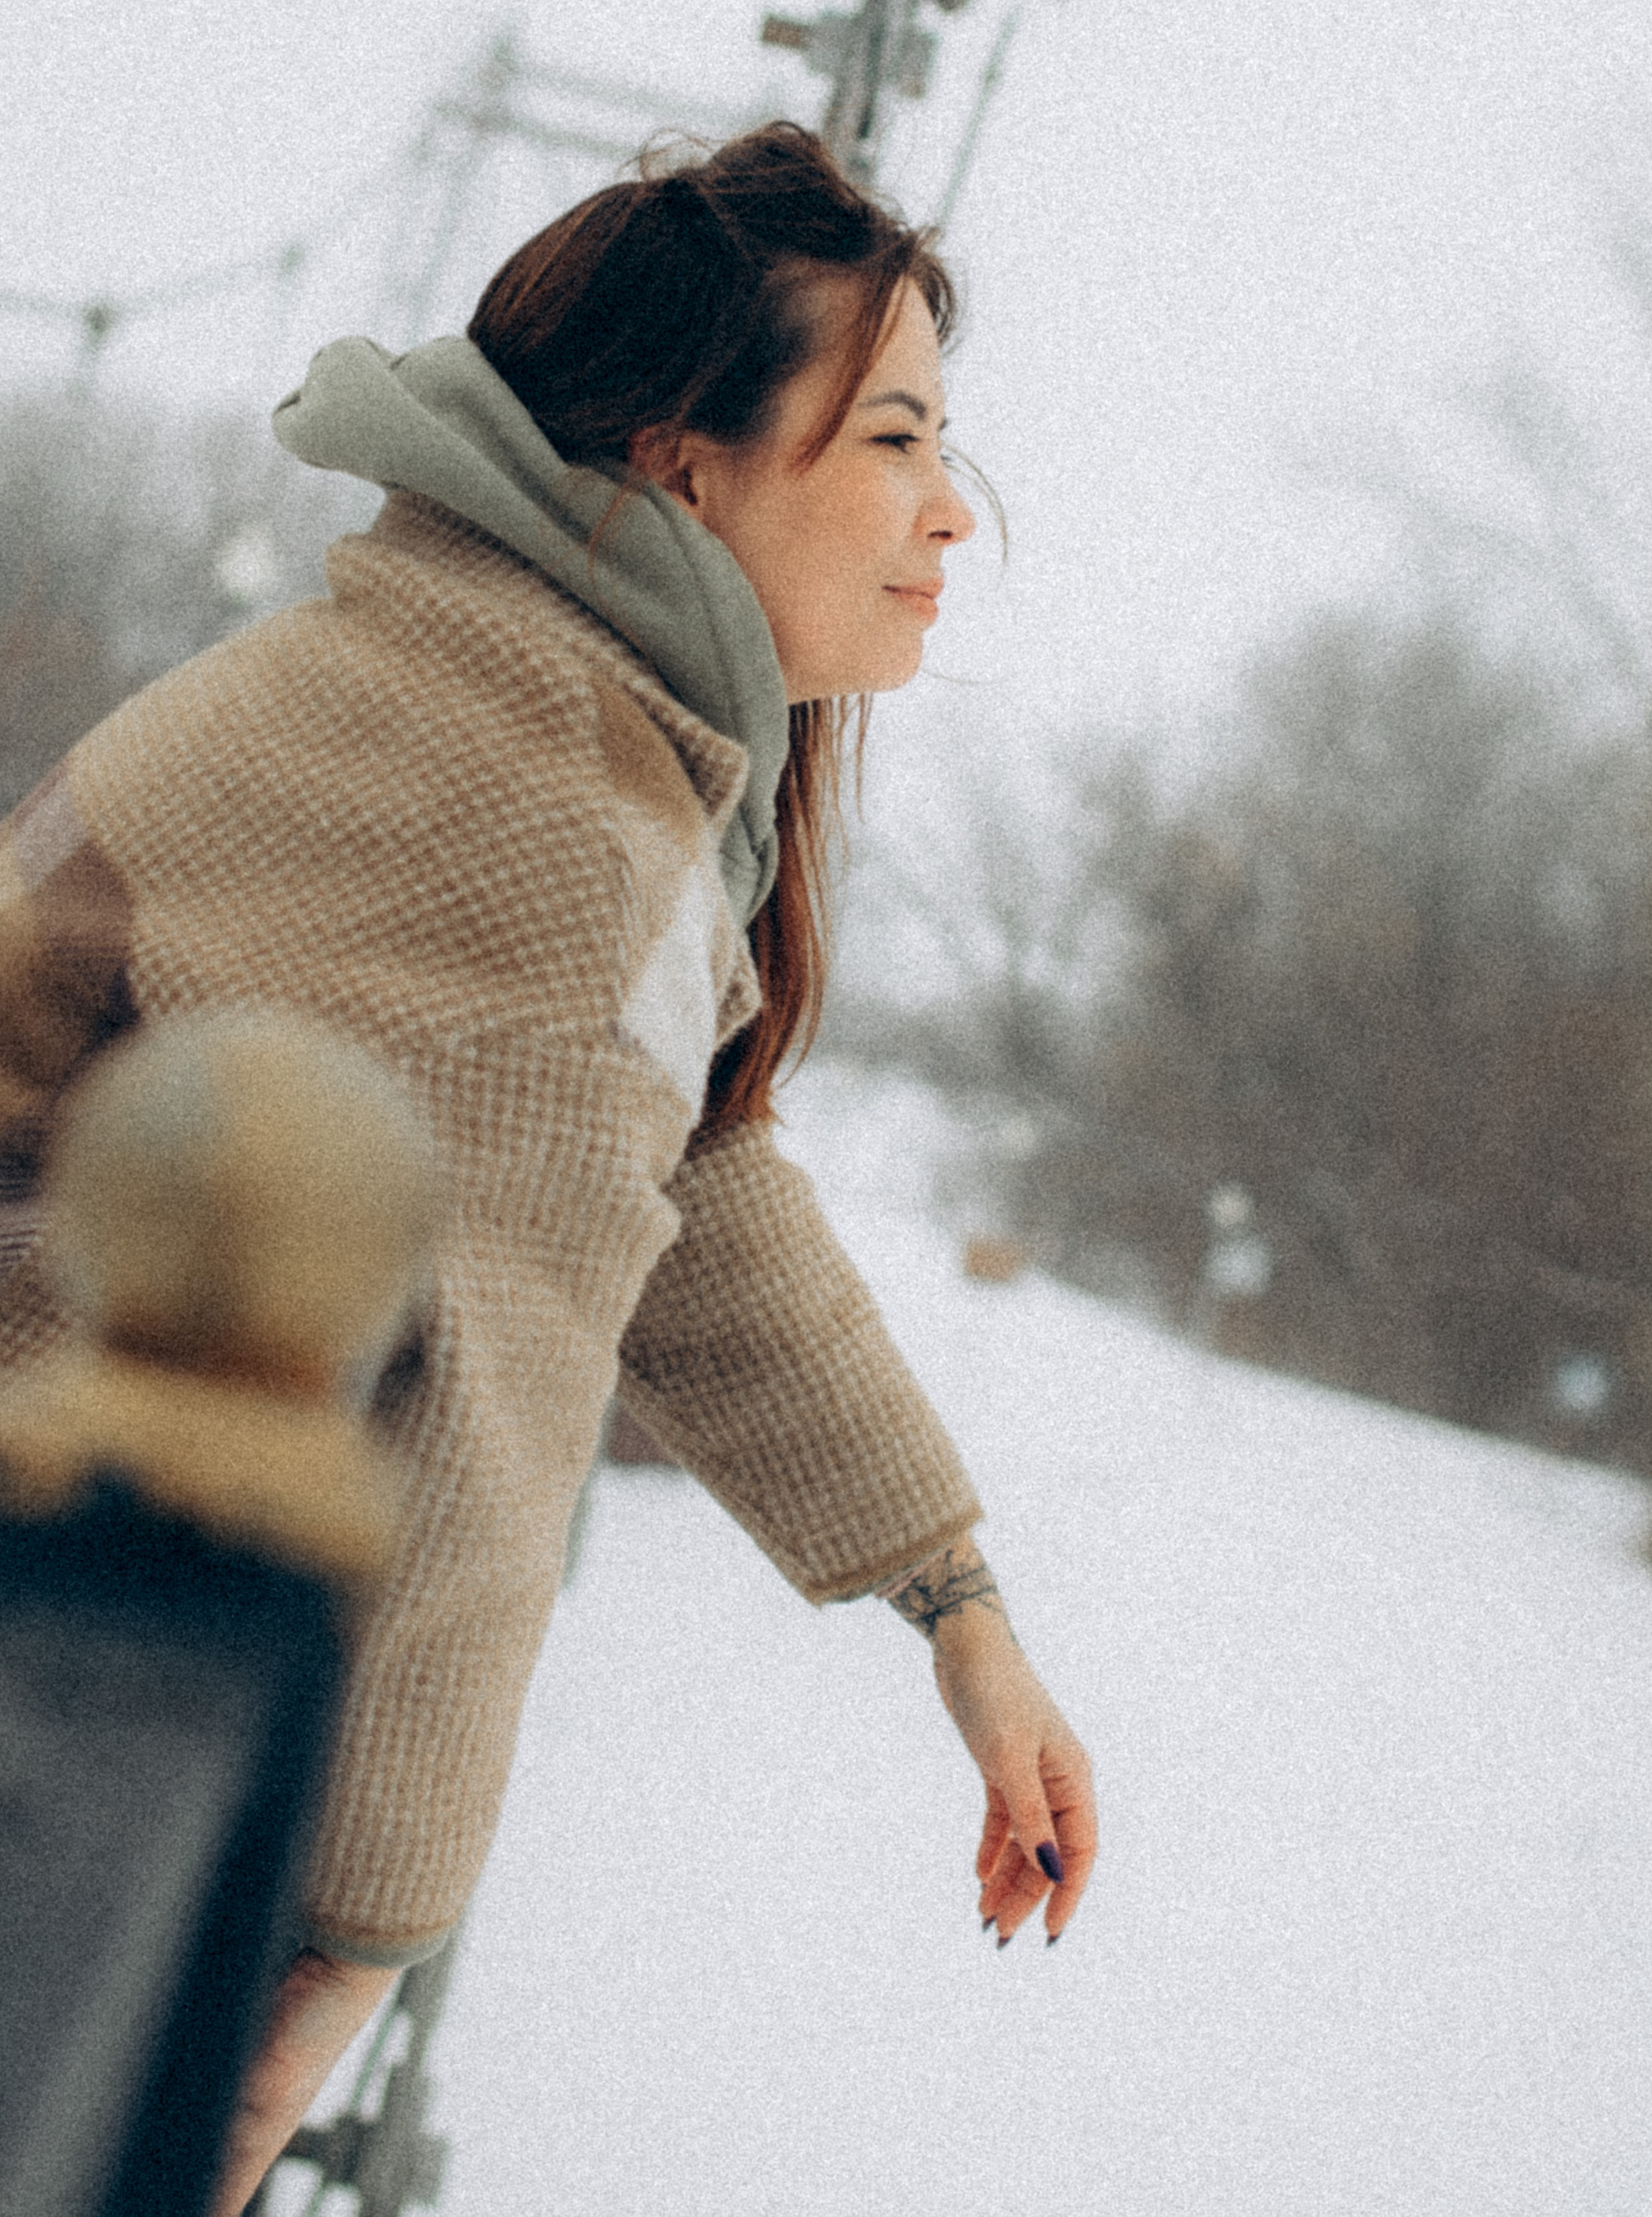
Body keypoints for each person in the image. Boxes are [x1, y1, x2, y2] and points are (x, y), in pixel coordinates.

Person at [0, 123, 1097, 2213]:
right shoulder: (535, 816)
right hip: (84, 1718)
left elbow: (678, 1188)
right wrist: (345, 1920)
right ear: (682, 465)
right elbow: (455, 1395)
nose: (952, 512)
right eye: (892, 438)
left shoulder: (498, 705)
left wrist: (950, 1597)